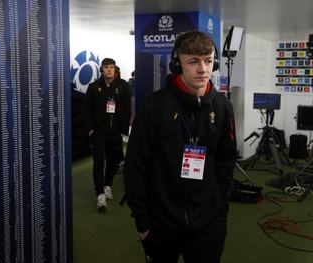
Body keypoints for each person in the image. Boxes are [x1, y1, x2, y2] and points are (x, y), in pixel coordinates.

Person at [123, 31, 237, 262]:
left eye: (207, 60)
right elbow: (134, 166)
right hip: (161, 223)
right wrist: (143, 223)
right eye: (193, 61)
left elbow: (226, 162)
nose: (202, 69)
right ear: (177, 63)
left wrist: (221, 212)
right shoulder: (154, 106)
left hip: (208, 223)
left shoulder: (223, 108)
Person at [84, 58, 131, 210]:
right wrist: (90, 129)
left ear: (115, 69)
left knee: (112, 161)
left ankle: (107, 185)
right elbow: (87, 110)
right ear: (102, 70)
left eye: (111, 67)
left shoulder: (123, 86)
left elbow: (126, 110)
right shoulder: (93, 87)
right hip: (98, 132)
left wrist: (123, 131)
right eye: (106, 67)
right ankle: (100, 195)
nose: (109, 70)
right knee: (98, 163)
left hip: (115, 133)